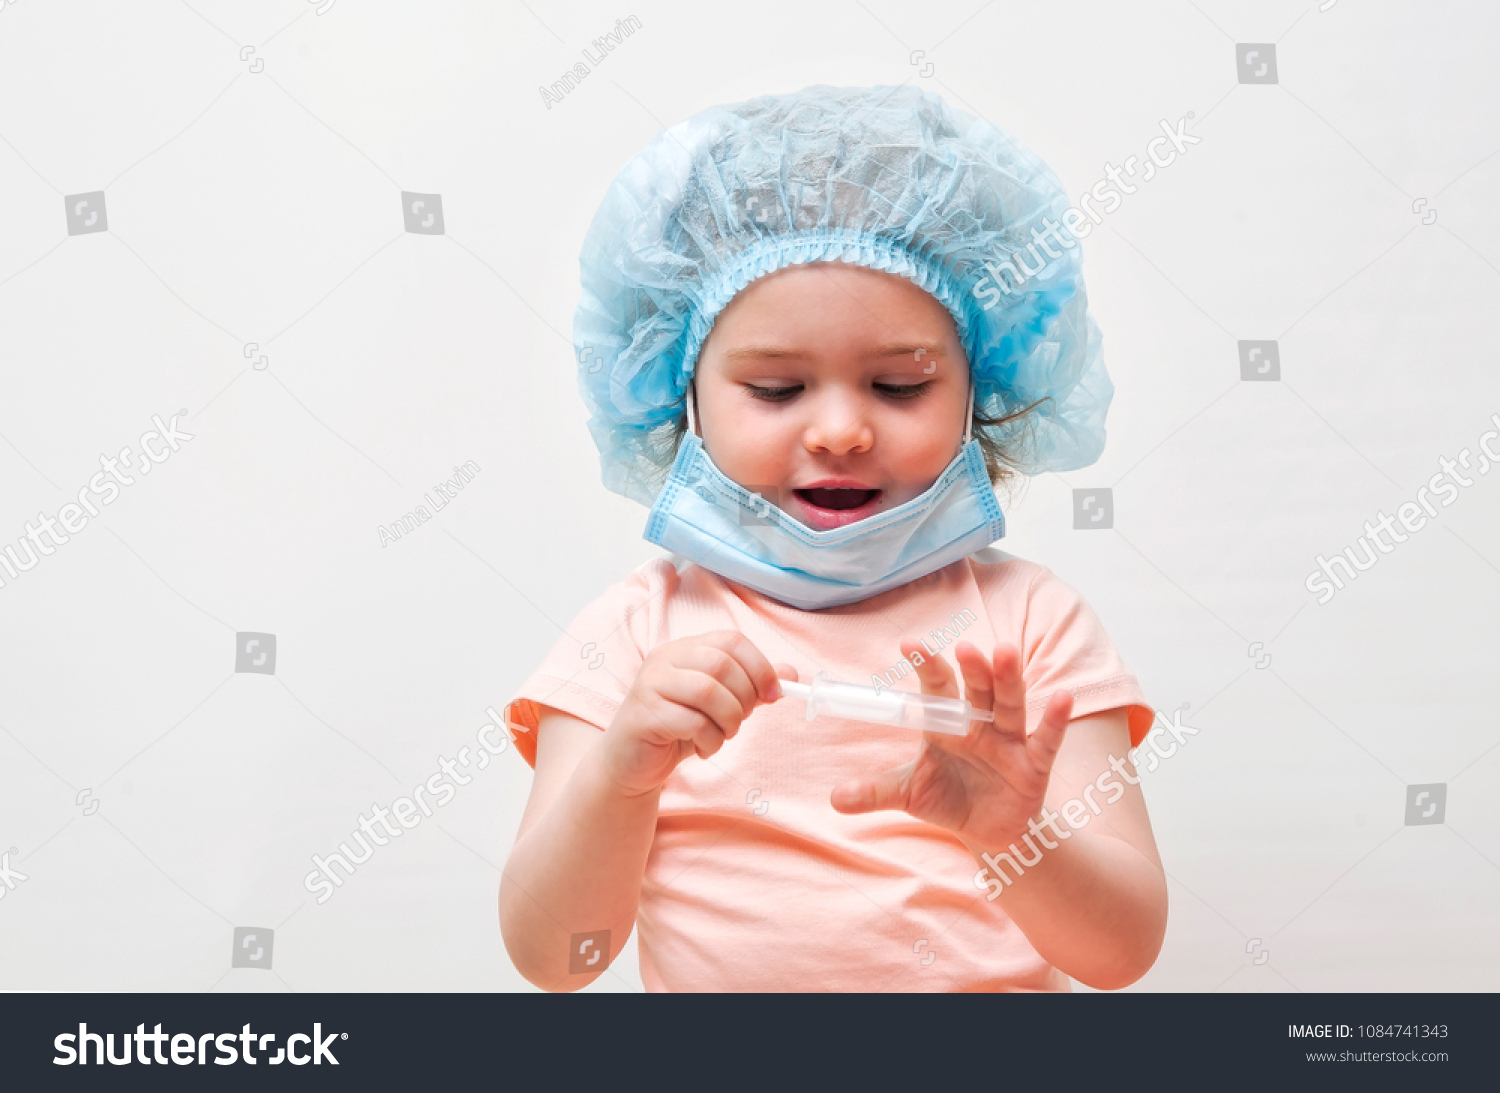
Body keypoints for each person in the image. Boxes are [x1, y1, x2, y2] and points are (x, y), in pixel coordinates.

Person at [499, 84, 1166, 992]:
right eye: (776, 390)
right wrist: (620, 774)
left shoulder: (1030, 628)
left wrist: (1014, 834)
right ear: (680, 394)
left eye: (900, 386)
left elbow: (1122, 953)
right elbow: (554, 958)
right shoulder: (634, 636)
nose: (842, 431)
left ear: (982, 388)